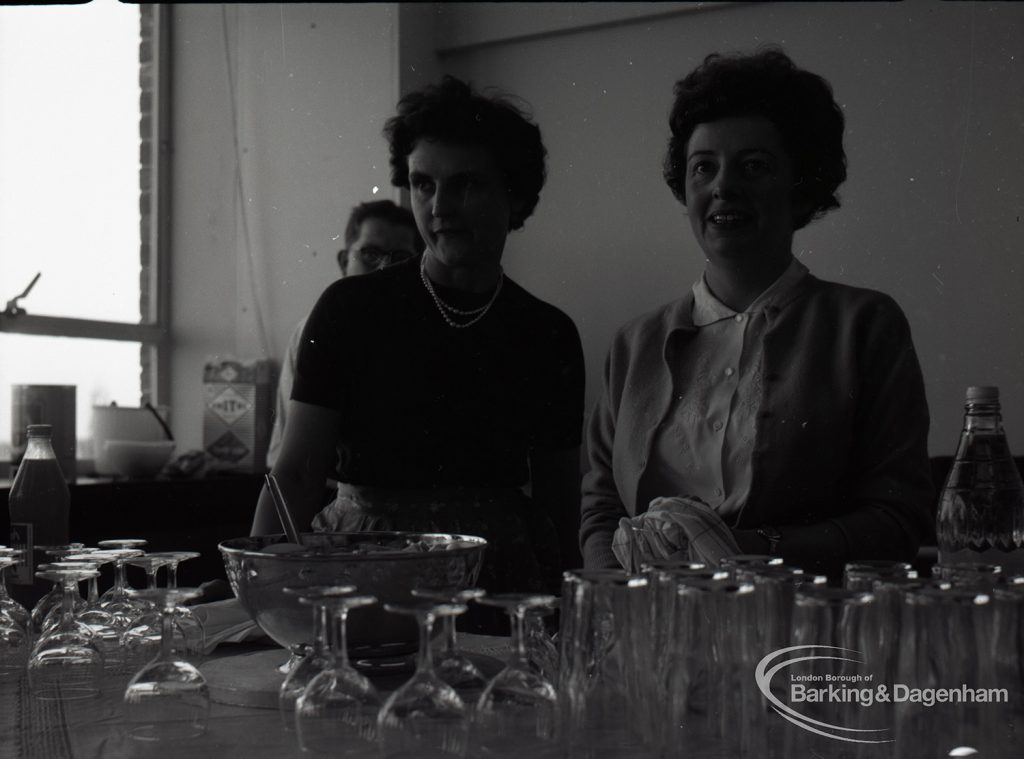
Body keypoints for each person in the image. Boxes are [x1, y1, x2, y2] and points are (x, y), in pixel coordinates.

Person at [580, 49, 933, 579]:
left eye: (754, 166)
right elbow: (602, 510)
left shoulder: (865, 325)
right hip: (647, 634)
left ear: (800, 186)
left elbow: (898, 522)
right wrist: (616, 607)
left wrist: (749, 550)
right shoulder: (634, 344)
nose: (724, 185)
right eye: (704, 168)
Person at [251, 76, 585, 621]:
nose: (440, 207)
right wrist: (263, 606)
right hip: (361, 574)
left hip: (497, 579)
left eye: (467, 184)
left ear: (515, 195)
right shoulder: (348, 309)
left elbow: (560, 505)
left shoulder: (547, 332)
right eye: (423, 185)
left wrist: (575, 618)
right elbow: (294, 475)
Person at [266, 200, 422, 468]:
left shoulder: (425, 333)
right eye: (370, 254)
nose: (384, 269)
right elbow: (290, 460)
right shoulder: (312, 331)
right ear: (343, 261)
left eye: (400, 259)